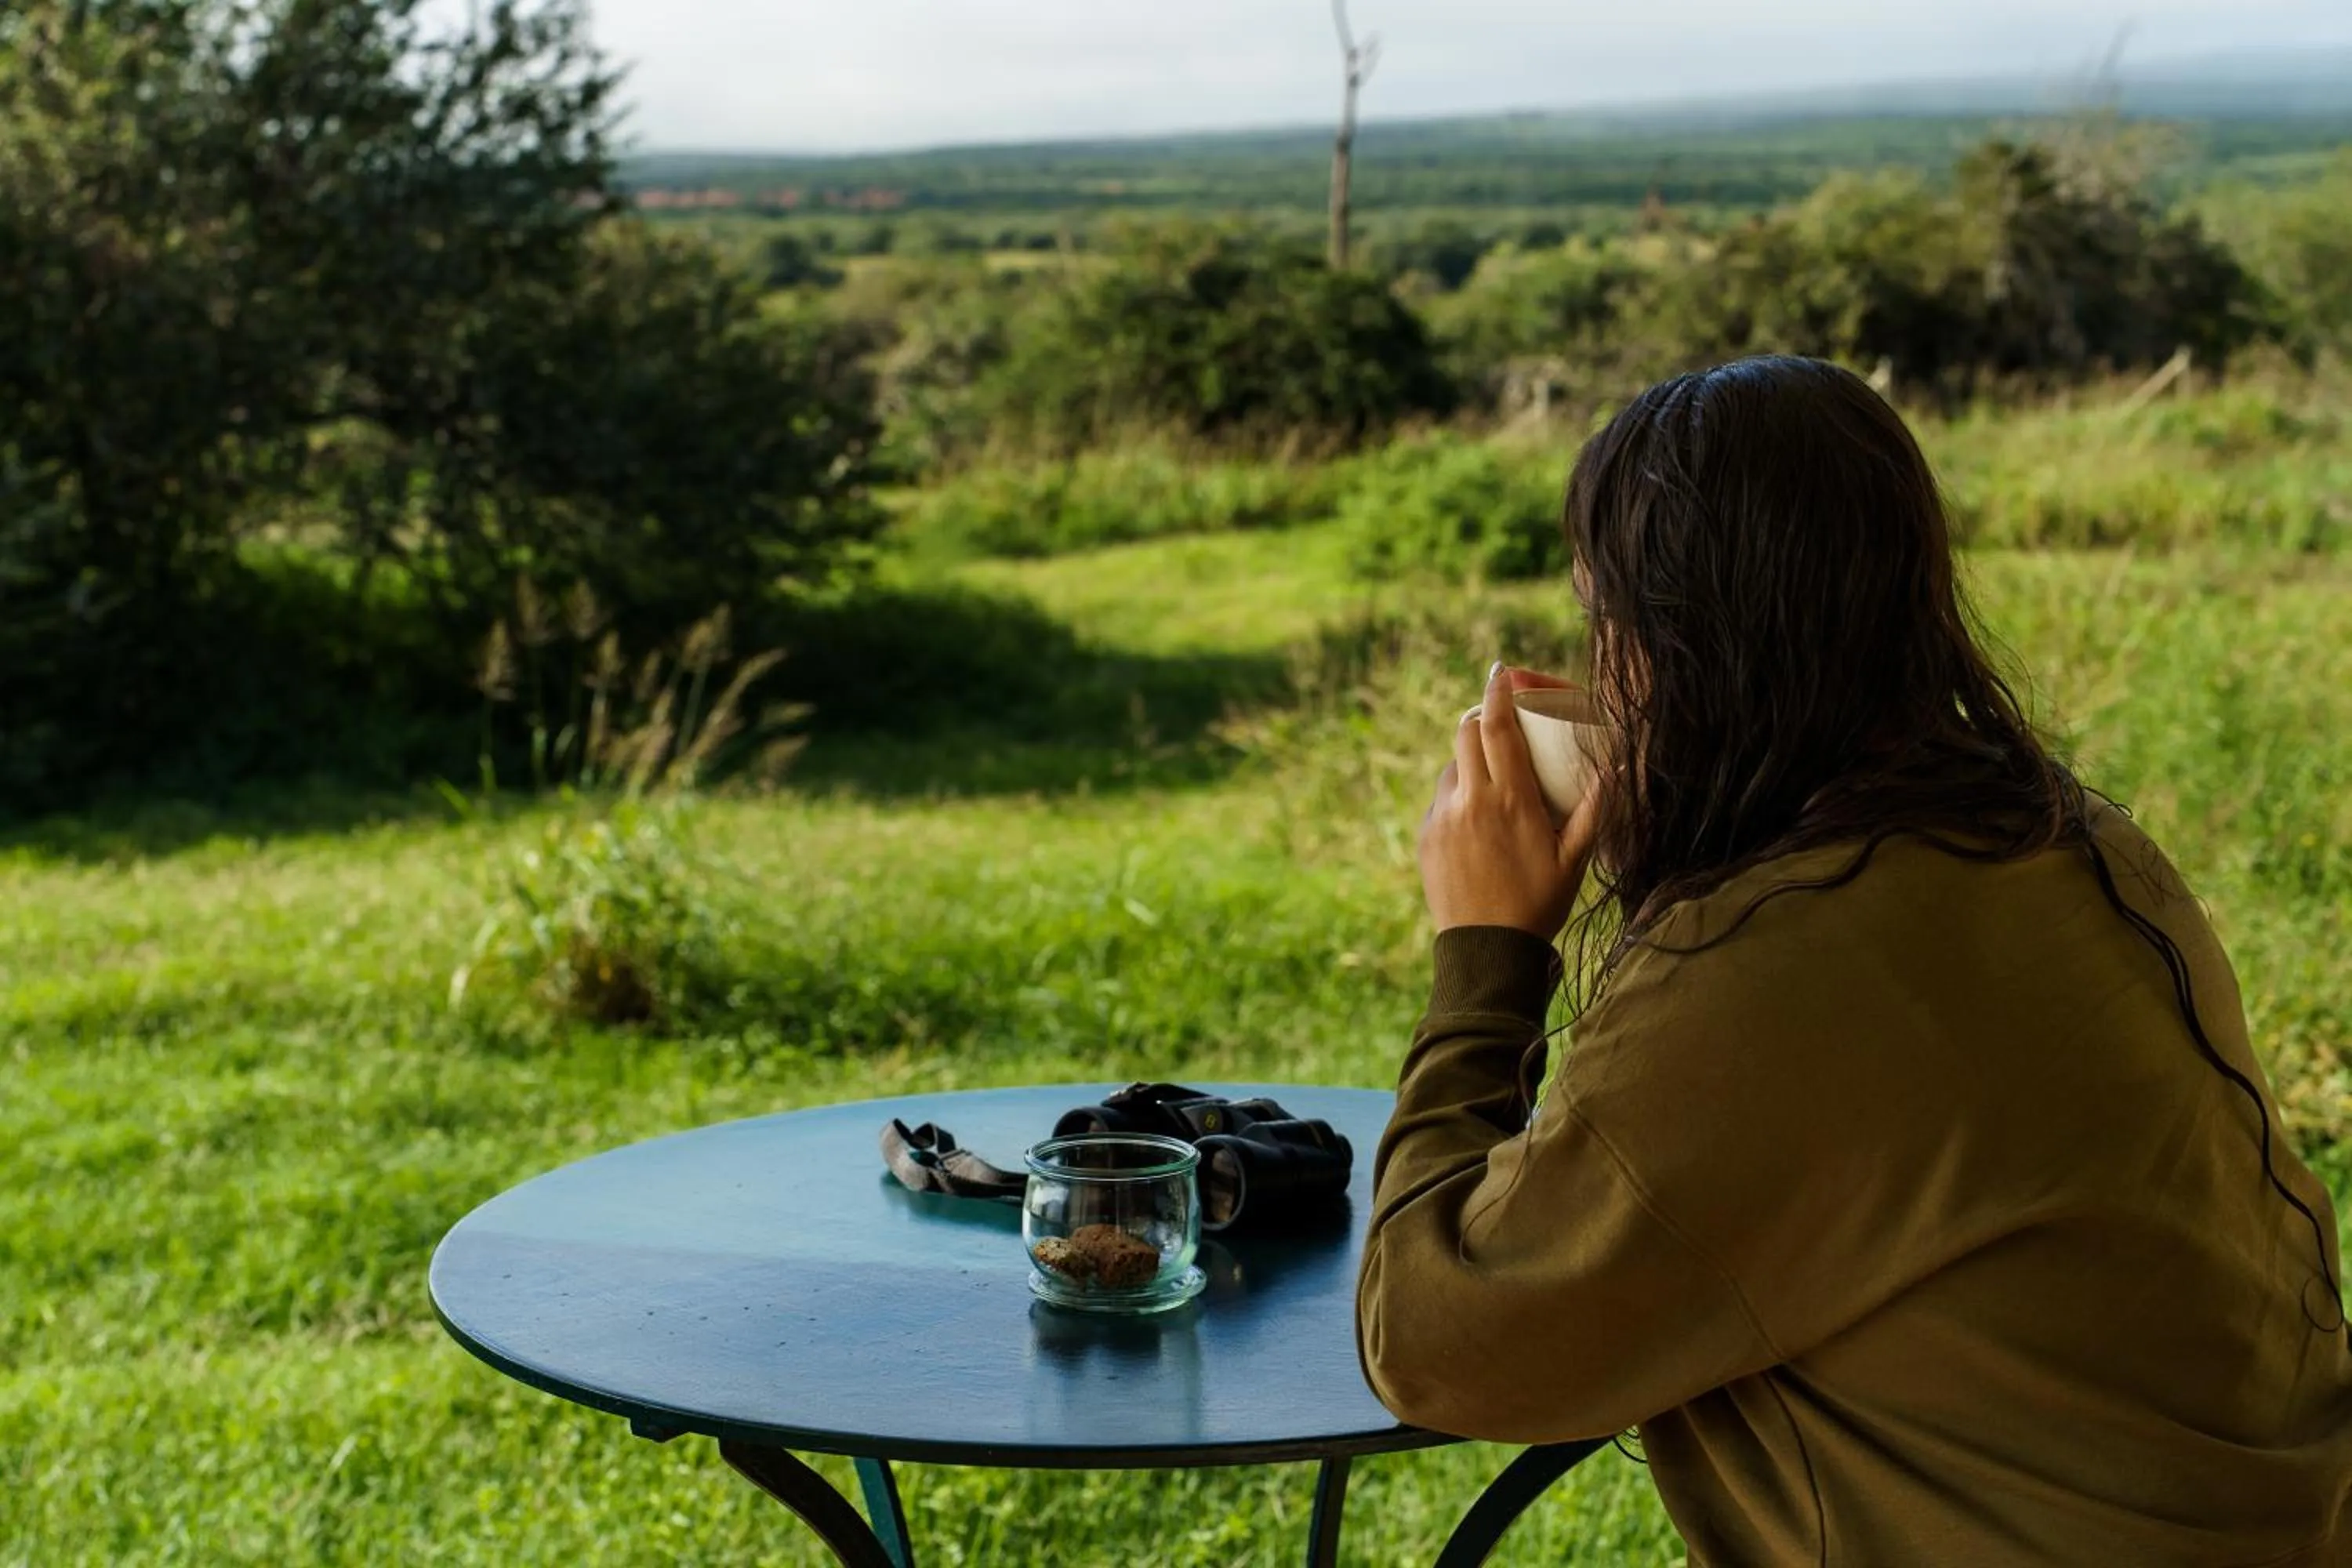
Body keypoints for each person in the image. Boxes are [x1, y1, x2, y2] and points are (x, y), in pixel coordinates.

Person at [1355, 356, 2352, 1564]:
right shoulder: (2073, 844)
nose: (1602, 669)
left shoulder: (1777, 962)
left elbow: (1438, 1346)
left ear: (1686, 650)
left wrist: (1489, 949)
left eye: (1608, 624)